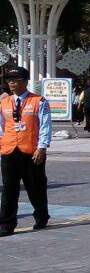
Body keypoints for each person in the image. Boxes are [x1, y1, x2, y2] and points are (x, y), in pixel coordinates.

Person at [0, 67, 52, 236]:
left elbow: (45, 125)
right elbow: (1, 127)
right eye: (9, 79)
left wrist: (42, 147)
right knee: (9, 189)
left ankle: (41, 216)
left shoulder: (39, 101)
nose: (11, 82)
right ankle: (7, 225)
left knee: (35, 187)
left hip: (31, 151)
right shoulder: (4, 102)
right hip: (9, 151)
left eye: (15, 79)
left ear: (25, 81)